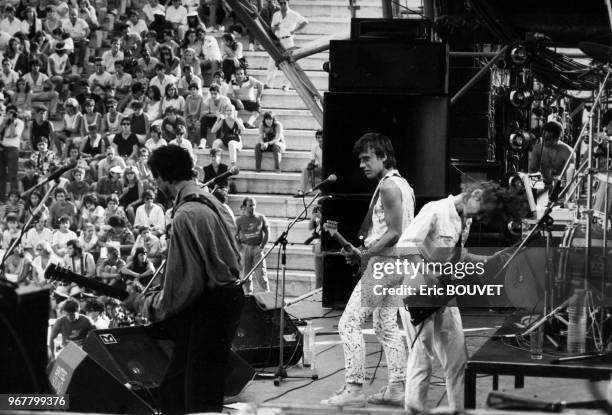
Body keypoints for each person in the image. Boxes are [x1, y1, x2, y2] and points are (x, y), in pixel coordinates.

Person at [123, 145, 244, 413]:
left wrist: (146, 303)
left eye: (155, 177)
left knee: (197, 397)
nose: (155, 183)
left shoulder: (186, 215)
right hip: (227, 299)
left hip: (210, 306)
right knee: (179, 387)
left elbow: (184, 288)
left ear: (163, 176)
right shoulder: (211, 200)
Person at [397, 181, 526, 411]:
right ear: (474, 194)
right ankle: (414, 409)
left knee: (457, 357)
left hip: (444, 293)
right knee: (422, 357)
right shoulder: (435, 211)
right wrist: (429, 275)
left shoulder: (464, 220)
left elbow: (459, 254)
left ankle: (458, 409)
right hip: (418, 293)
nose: (479, 218)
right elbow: (406, 246)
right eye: (482, 210)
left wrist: (488, 259)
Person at [322, 133, 414, 407]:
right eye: (360, 159)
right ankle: (398, 388)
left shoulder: (388, 187)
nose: (362, 164)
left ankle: (353, 389)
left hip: (386, 266)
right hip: (399, 264)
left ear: (384, 157)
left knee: (348, 323)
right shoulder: (402, 185)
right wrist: (363, 251)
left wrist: (364, 253)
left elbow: (395, 233)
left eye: (367, 158)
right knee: (385, 325)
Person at [265, 0, 307, 88]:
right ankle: (269, 84)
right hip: (277, 40)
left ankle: (286, 85)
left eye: (284, 3)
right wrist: (275, 28)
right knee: (272, 62)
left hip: (288, 40)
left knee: (289, 62)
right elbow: (271, 29)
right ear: (278, 4)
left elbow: (305, 22)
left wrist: (294, 30)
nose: (283, 5)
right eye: (281, 3)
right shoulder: (276, 14)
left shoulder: (294, 14)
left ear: (288, 3)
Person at [235, 197, 269, 295]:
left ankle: (265, 296)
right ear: (244, 207)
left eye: (254, 205)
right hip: (245, 248)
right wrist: (240, 248)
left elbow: (267, 232)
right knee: (245, 276)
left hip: (257, 248)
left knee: (261, 275)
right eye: (250, 205)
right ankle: (247, 296)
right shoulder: (239, 220)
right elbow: (234, 235)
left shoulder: (260, 217)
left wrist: (262, 246)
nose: (253, 207)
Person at [528, 120, 575, 188]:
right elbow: (532, 171)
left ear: (558, 138)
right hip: (541, 189)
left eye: (548, 139)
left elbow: (570, 178)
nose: (545, 141)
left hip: (562, 190)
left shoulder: (567, 151)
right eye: (543, 138)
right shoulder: (537, 149)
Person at [0, 105, 24, 201]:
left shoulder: (19, 123)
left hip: (12, 149)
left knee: (12, 175)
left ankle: (15, 198)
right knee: (1, 174)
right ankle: (1, 198)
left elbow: (14, 135)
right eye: (9, 112)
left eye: (13, 112)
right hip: (1, 148)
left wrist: (13, 122)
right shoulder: (2, 119)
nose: (11, 114)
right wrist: (5, 121)